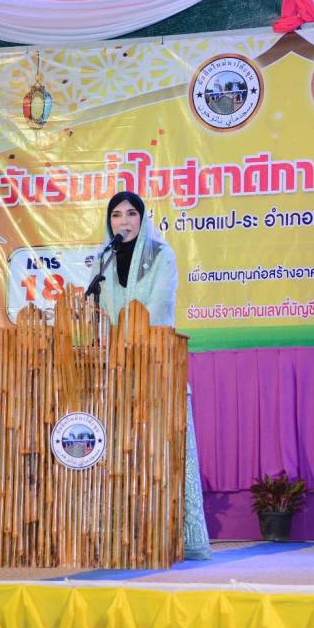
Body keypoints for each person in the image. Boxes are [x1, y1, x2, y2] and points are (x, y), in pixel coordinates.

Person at [91, 191, 212, 560]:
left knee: (162, 458)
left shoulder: (162, 256)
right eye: (116, 215)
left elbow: (157, 308)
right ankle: (122, 538)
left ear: (142, 220)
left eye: (131, 214)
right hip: (115, 376)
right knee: (121, 459)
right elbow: (98, 313)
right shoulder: (103, 259)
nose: (123, 221)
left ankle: (176, 539)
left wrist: (128, 341)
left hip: (156, 369)